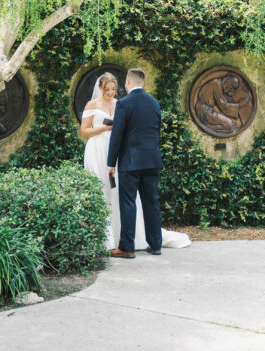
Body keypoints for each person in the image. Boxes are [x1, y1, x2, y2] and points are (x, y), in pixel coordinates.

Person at [81, 69, 189, 256]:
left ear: (128, 82)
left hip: (131, 161)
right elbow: (155, 131)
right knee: (151, 202)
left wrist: (111, 163)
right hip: (152, 159)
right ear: (143, 83)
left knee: (128, 202)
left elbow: (117, 136)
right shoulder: (154, 102)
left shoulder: (123, 103)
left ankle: (127, 248)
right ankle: (155, 245)